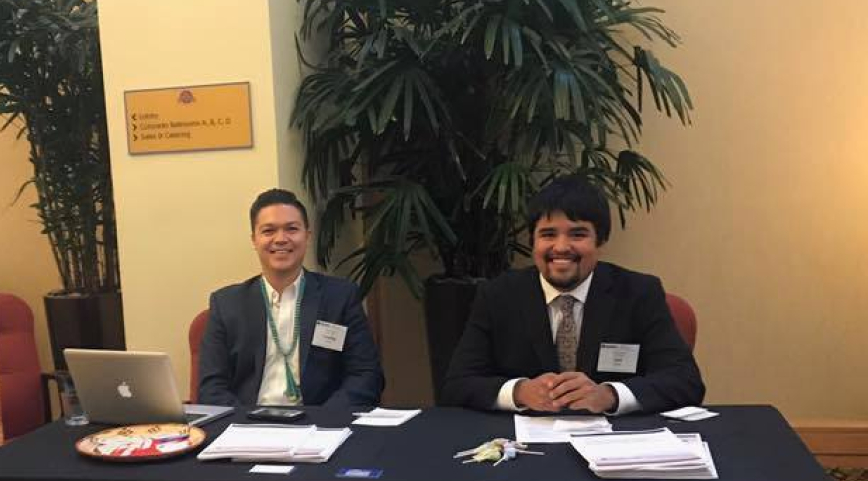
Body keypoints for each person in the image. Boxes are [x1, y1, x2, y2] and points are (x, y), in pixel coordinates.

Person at [440, 176, 703, 414]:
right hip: (524, 446)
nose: (561, 247)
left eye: (577, 234)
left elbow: (685, 381)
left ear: (599, 242)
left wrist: (610, 395)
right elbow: (457, 384)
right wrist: (519, 392)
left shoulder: (639, 293)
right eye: (548, 234)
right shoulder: (498, 295)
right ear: (533, 242)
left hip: (614, 445)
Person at [197, 188, 384, 408]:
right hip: (249, 427)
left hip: (320, 426)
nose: (281, 239)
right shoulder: (226, 304)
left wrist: (322, 420)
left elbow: (366, 376)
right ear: (254, 240)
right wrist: (248, 425)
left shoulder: (340, 298)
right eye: (268, 231)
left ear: (307, 235)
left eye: (292, 229)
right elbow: (211, 388)